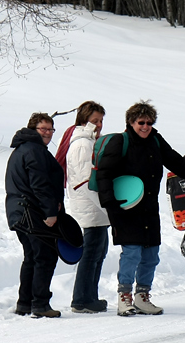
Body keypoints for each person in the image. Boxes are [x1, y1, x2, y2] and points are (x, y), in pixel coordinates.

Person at [96, 101, 185, 316]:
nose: (145, 126)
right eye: (141, 122)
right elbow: (103, 174)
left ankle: (142, 297)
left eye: (149, 122)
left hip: (149, 208)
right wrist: (110, 204)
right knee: (131, 253)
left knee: (151, 255)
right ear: (131, 122)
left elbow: (179, 164)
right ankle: (125, 297)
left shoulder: (156, 141)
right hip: (125, 208)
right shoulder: (119, 142)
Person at [5, 112, 63, 318]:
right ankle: (40, 304)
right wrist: (49, 212)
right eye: (43, 129)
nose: (47, 133)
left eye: (50, 129)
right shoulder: (35, 150)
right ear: (33, 129)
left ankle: (25, 303)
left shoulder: (23, 148)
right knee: (45, 257)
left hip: (18, 211)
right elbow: (40, 184)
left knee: (31, 257)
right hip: (33, 212)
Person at [65, 101, 110, 313]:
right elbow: (86, 181)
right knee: (91, 254)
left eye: (101, 120)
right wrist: (106, 207)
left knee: (98, 253)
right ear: (84, 120)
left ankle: (90, 296)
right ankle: (81, 299)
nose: (99, 124)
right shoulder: (83, 144)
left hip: (95, 209)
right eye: (95, 121)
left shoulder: (91, 141)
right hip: (91, 208)